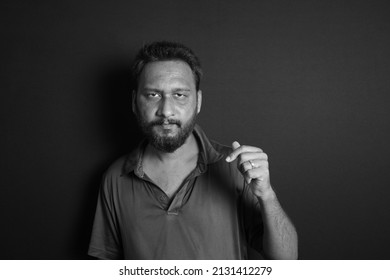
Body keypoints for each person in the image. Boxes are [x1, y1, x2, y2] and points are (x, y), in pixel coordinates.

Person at [88, 41, 298, 260]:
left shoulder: (237, 169)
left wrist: (267, 195)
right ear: (134, 102)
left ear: (197, 101)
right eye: (153, 95)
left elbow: (287, 261)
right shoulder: (115, 177)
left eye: (179, 95)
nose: (166, 111)